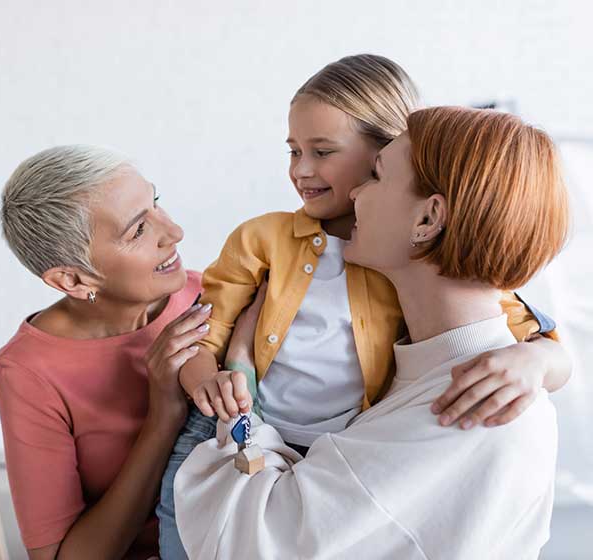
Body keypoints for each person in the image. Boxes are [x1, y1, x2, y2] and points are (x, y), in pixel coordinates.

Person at [158, 54, 570, 558]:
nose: (355, 195)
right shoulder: (432, 362)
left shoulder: (463, 406)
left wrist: (241, 361)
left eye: (375, 175)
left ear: (428, 219)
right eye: (294, 151)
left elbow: (255, 540)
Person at [0, 145, 208, 559]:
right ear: (73, 279)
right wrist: (163, 417)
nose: (174, 231)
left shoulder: (214, 294)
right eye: (138, 230)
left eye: (156, 203)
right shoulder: (28, 371)